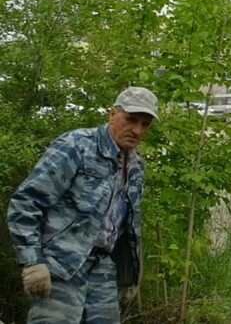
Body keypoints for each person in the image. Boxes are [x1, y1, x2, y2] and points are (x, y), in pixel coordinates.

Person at [8, 87, 158, 323]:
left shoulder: (136, 166)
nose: (137, 130)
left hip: (103, 269)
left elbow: (126, 228)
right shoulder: (77, 146)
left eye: (144, 124)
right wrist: (32, 261)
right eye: (130, 120)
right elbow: (27, 202)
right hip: (61, 265)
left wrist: (131, 275)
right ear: (112, 114)